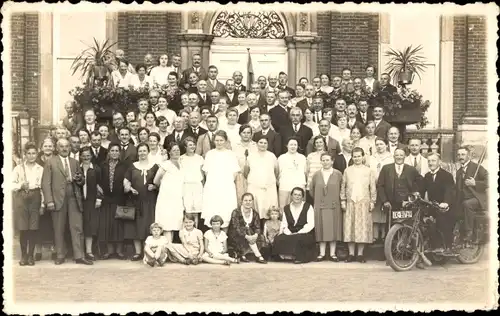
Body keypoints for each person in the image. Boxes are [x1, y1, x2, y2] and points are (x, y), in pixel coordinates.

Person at [41, 139, 92, 265]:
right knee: (59, 228)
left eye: (67, 146)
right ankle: (60, 255)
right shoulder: (50, 162)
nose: (64, 149)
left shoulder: (74, 162)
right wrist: (49, 201)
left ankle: (79, 256)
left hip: (74, 198)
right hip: (58, 199)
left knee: (77, 227)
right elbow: (45, 183)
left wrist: (80, 179)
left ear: (70, 148)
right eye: (62, 146)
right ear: (57, 148)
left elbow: (82, 181)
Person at [123, 143, 159, 261]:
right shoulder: (132, 166)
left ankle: (148, 251)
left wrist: (154, 187)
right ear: (137, 153)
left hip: (149, 201)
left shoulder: (154, 166)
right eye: (140, 151)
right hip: (135, 201)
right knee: (136, 226)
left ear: (148, 152)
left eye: (144, 151)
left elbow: (160, 182)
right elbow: (126, 181)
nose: (142, 153)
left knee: (148, 225)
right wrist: (129, 188)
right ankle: (138, 252)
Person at [341, 147, 376, 263]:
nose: (357, 158)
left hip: (363, 202)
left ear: (363, 157)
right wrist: (343, 200)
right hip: (351, 202)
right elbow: (343, 186)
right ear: (352, 157)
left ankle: (360, 254)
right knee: (350, 227)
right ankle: (351, 254)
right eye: (354, 156)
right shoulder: (347, 170)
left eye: (359, 156)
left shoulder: (368, 171)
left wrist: (372, 202)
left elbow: (372, 188)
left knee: (362, 228)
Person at [12, 143, 44, 266]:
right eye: (29, 153)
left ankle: (31, 255)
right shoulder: (18, 169)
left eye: (34, 153)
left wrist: (42, 204)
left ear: (37, 154)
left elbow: (42, 188)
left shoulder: (40, 169)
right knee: (23, 228)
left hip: (35, 196)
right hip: (22, 197)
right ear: (25, 155)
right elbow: (10, 184)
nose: (31, 156)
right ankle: (24, 256)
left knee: (33, 228)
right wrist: (20, 185)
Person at [201, 130, 239, 231]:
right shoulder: (210, 154)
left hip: (226, 187)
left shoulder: (231, 154)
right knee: (212, 210)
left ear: (226, 141)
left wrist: (226, 183)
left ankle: (224, 241)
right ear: (213, 141)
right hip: (212, 187)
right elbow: (206, 172)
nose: (219, 142)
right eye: (217, 140)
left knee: (225, 211)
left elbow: (235, 173)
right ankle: (212, 241)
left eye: (221, 140)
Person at [377, 149, 422, 232]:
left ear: (405, 156)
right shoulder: (386, 168)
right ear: (394, 156)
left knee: (407, 226)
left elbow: (420, 182)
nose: (399, 157)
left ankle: (405, 243)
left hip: (407, 204)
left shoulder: (411, 169)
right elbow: (380, 186)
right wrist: (385, 201)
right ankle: (390, 244)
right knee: (390, 226)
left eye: (401, 155)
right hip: (391, 204)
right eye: (397, 155)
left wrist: (415, 193)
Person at [310, 153, 343, 261]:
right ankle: (322, 253)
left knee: (333, 229)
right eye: (323, 160)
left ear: (332, 161)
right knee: (321, 228)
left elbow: (342, 189)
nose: (325, 162)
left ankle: (333, 254)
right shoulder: (316, 175)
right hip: (320, 205)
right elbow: (311, 190)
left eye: (327, 160)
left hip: (334, 205)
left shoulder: (338, 174)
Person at [421, 153, 456, 254]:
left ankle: (448, 246)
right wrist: (417, 194)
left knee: (443, 221)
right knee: (427, 222)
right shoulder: (427, 176)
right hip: (433, 206)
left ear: (439, 162)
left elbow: (450, 190)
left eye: (433, 161)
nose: (431, 163)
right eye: (429, 161)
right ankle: (433, 245)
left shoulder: (446, 175)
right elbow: (422, 189)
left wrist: (446, 202)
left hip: (446, 207)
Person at [98, 143, 128, 260]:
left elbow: (127, 180)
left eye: (117, 151)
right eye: (112, 150)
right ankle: (110, 251)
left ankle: (119, 251)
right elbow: (99, 180)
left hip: (119, 198)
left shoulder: (124, 166)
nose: (114, 152)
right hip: (106, 198)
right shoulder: (103, 165)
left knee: (118, 225)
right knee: (108, 225)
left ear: (119, 153)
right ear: (109, 152)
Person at [273, 187, 316, 264]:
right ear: (291, 196)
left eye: (299, 195)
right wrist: (289, 233)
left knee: (300, 239)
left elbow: (311, 224)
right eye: (295, 194)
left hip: (304, 233)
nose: (297, 197)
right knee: (278, 239)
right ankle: (286, 256)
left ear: (303, 197)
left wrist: (299, 232)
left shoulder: (308, 207)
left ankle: (300, 257)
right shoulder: (286, 208)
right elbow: (284, 224)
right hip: (290, 232)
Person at [153, 142, 185, 243]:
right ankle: (168, 248)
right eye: (174, 150)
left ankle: (170, 249)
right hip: (166, 198)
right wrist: (165, 188)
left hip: (177, 198)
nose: (176, 152)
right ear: (169, 152)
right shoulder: (166, 164)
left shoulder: (181, 164)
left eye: (178, 150)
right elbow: (156, 181)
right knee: (167, 224)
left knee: (175, 222)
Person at [455, 146, 488, 241]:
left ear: (468, 155)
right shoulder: (458, 172)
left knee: (467, 204)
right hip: (464, 199)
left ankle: (469, 232)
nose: (460, 157)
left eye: (463, 154)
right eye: (458, 155)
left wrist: (475, 183)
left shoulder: (477, 167)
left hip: (477, 199)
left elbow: (490, 180)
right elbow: (458, 190)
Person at [245, 135, 279, 220]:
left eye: (265, 143)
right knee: (255, 208)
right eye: (260, 142)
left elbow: (276, 171)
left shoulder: (272, 156)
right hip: (255, 187)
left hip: (269, 187)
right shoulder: (251, 156)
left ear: (268, 144)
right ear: (256, 144)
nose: (263, 144)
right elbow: (246, 172)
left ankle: (267, 228)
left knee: (268, 208)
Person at [227, 193, 267, 263]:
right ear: (241, 201)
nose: (248, 202)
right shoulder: (236, 212)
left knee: (260, 236)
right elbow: (236, 227)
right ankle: (258, 255)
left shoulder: (255, 213)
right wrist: (246, 236)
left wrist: (255, 235)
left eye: (250, 200)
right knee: (246, 229)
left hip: (250, 235)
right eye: (245, 200)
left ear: (252, 201)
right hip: (236, 234)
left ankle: (243, 254)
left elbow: (257, 227)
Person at [34, 138, 56, 261]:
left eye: (50, 146)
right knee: (39, 223)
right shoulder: (37, 161)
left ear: (53, 148)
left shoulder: (56, 160)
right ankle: (38, 250)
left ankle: (54, 248)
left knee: (54, 223)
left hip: (53, 195)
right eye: (45, 146)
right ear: (41, 148)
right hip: (40, 196)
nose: (48, 148)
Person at [79, 146, 102, 261]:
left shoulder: (96, 169)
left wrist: (99, 199)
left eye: (88, 155)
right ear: (80, 157)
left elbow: (101, 185)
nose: (86, 157)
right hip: (79, 201)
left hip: (92, 201)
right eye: (84, 156)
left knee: (91, 226)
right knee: (80, 225)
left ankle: (89, 251)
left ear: (91, 156)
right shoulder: (77, 169)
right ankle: (79, 251)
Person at [369, 137, 394, 243]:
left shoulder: (390, 157)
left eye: (381, 144)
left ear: (386, 145)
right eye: (377, 144)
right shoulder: (371, 158)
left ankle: (384, 235)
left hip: (385, 187)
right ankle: (374, 235)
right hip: (373, 186)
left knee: (384, 210)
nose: (379, 146)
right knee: (375, 210)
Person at [179, 137, 204, 227]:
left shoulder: (199, 158)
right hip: (186, 186)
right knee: (187, 211)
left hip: (197, 186)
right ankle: (186, 234)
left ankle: (195, 232)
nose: (192, 146)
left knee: (196, 212)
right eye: (190, 145)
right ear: (185, 147)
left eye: (194, 144)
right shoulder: (181, 159)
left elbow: (202, 174)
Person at [277, 137, 307, 209]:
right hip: (285, 188)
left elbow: (305, 173)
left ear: (298, 146)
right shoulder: (281, 158)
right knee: (283, 209)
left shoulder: (302, 158)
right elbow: (277, 174)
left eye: (295, 144)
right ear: (287, 145)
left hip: (299, 187)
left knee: (299, 208)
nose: (293, 146)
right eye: (291, 144)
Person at [232, 125, 258, 204]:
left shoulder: (256, 146)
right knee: (240, 197)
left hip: (253, 175)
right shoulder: (234, 146)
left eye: (248, 133)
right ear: (240, 133)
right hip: (239, 176)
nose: (246, 134)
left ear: (251, 134)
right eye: (244, 133)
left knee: (252, 198)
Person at [306, 135, 327, 204]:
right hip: (310, 186)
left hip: (322, 186)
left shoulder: (327, 155)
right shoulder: (310, 156)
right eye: (317, 142)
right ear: (314, 145)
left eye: (320, 142)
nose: (319, 144)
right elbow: (307, 171)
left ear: (324, 143)